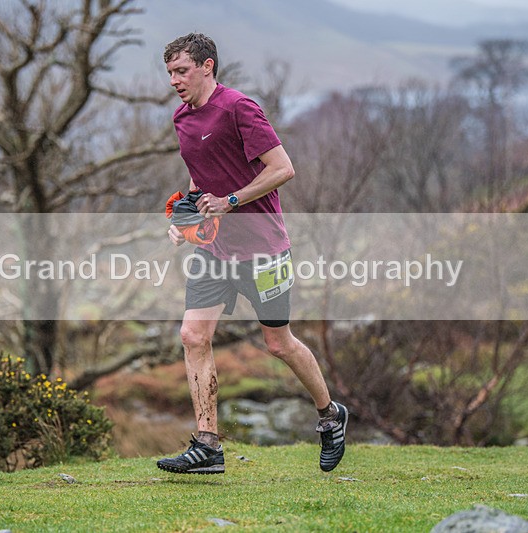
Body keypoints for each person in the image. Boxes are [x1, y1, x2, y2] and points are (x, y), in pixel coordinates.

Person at [157, 33, 348, 475]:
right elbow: (201, 180)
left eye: (181, 71)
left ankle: (330, 415)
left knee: (278, 343)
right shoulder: (182, 119)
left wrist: (231, 201)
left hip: (263, 249)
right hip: (215, 250)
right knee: (193, 336)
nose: (174, 81)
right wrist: (186, 220)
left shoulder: (239, 108)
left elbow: (283, 168)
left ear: (207, 66)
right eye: (169, 73)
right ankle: (208, 445)